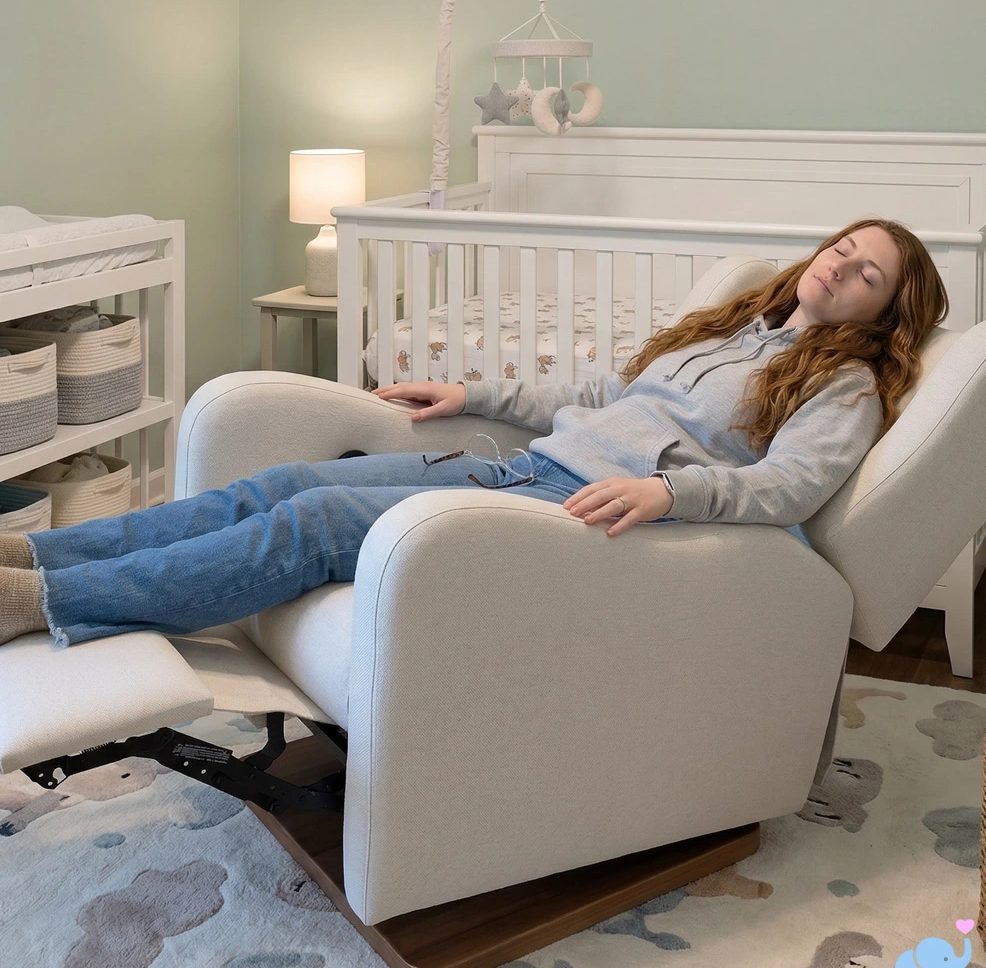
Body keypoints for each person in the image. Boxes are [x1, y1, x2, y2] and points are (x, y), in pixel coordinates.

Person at [0, 218, 947, 649]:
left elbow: (789, 490)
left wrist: (672, 490)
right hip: (523, 466)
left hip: (576, 512)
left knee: (318, 520)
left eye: (866, 274)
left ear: (885, 313)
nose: (840, 267)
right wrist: (467, 388)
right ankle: (35, 554)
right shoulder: (739, 326)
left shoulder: (847, 383)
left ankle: (51, 603)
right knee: (279, 484)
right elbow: (594, 386)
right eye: (841, 248)